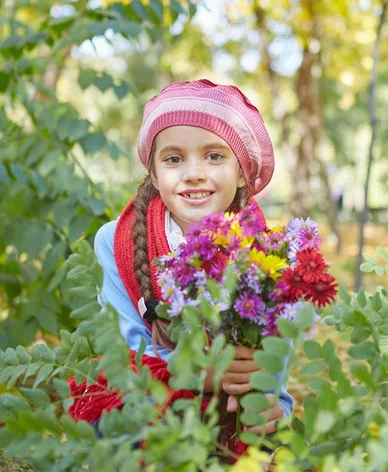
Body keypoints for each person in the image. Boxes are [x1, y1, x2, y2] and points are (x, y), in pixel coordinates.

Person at [69, 79, 294, 449]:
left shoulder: (267, 256)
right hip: (151, 402)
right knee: (114, 416)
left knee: (267, 439)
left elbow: (275, 381)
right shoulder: (116, 241)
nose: (193, 173)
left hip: (232, 411)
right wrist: (207, 375)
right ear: (154, 174)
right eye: (174, 159)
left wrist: (271, 408)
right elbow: (126, 357)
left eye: (215, 156)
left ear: (241, 173)